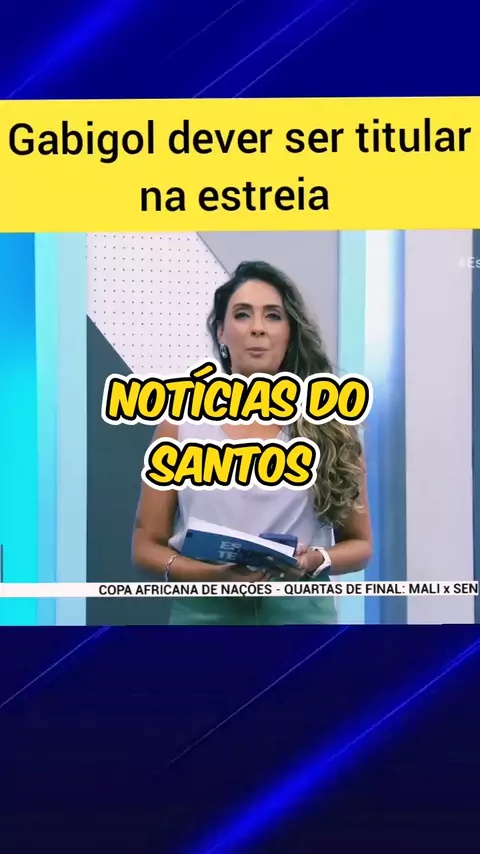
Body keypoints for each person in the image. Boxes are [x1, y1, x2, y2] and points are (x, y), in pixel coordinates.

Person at [132, 260, 372, 625]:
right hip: (203, 623)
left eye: (273, 316)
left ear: (290, 332)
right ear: (221, 331)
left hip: (302, 624)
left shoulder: (331, 423)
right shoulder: (180, 424)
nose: (258, 328)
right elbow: (145, 545)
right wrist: (212, 577)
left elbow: (360, 545)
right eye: (242, 315)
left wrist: (316, 560)